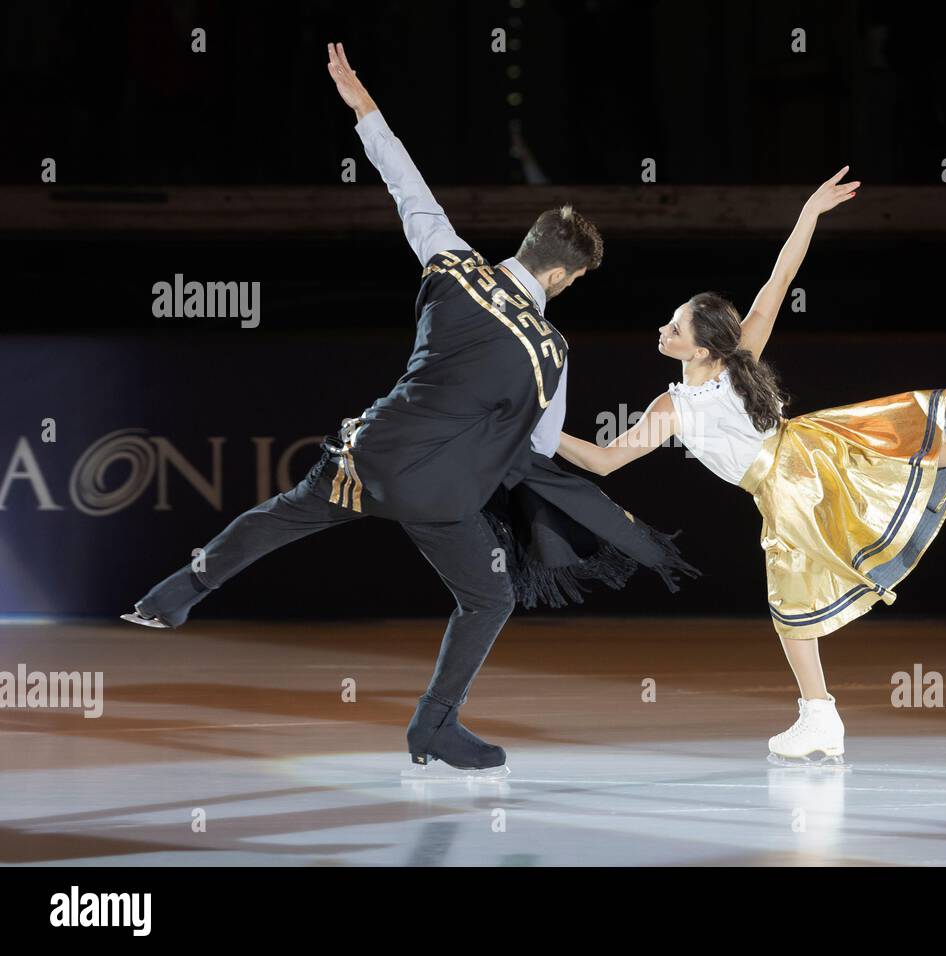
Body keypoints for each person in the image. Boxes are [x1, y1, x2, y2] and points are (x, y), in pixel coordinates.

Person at [121, 43, 695, 776]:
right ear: (561, 272)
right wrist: (609, 461)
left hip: (369, 454)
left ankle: (177, 593)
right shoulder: (551, 349)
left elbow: (406, 185)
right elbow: (541, 447)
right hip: (440, 494)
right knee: (487, 599)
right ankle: (432, 728)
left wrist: (363, 106)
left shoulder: (451, 260)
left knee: (285, 511)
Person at [557, 167, 946, 766]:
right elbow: (781, 277)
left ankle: (820, 716)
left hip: (788, 484)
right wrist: (808, 212)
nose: (663, 329)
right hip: (817, 446)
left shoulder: (673, 406)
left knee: (791, 607)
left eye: (674, 327)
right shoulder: (733, 362)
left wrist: (542, 433)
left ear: (701, 348)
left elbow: (603, 460)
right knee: (941, 444)